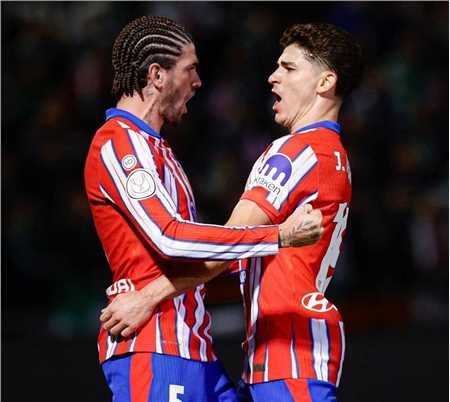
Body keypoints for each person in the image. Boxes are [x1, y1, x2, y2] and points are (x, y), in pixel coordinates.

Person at [102, 21, 363, 402]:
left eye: (289, 68)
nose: (273, 77)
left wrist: (147, 297)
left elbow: (229, 242)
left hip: (288, 356)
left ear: (325, 82)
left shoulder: (297, 152)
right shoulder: (334, 154)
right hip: (285, 353)